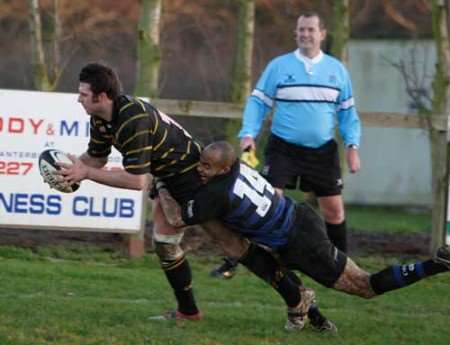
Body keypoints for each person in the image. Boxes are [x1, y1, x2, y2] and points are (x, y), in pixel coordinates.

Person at [58, 62, 319, 326]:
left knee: (235, 246)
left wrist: (85, 174)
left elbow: (137, 181)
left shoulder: (132, 117)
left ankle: (303, 302)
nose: (78, 99)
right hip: (169, 180)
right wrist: (73, 169)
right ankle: (188, 312)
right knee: (164, 243)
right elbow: (96, 158)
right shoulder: (101, 120)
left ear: (102, 96)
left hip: (195, 180)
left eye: (83, 94)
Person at [155, 141, 450, 327]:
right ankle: (314, 320)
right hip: (297, 219)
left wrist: (162, 186)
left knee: (365, 286)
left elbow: (176, 218)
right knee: (275, 270)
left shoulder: (217, 193)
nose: (200, 169)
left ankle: (436, 264)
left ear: (224, 168)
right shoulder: (236, 168)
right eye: (201, 162)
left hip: (300, 240)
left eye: (207, 166)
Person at [211, 10, 361, 278]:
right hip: (284, 149)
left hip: (322, 152)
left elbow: (348, 113)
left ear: (322, 34)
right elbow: (258, 103)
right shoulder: (278, 67)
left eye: (310, 30)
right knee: (266, 204)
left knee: (334, 210)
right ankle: (241, 260)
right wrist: (248, 135)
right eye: (301, 30)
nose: (305, 34)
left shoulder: (337, 71)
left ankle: (342, 267)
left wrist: (352, 146)